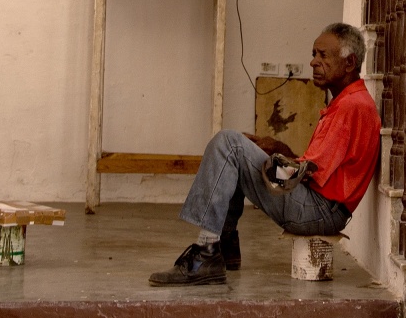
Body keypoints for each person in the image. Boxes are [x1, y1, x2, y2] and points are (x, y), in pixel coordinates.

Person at [148, 22, 381, 286]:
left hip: (319, 212)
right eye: (314, 54)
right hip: (322, 208)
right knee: (235, 153)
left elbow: (306, 174)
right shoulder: (350, 102)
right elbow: (314, 170)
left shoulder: (351, 106)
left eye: (323, 55)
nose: (313, 62)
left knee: (230, 144)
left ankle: (207, 252)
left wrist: (274, 151)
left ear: (349, 63)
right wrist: (265, 153)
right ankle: (224, 246)